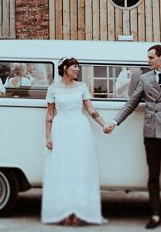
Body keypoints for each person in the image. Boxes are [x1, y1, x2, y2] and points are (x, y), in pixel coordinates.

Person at [104, 45, 161, 230]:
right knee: (153, 176)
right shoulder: (144, 78)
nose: (147, 60)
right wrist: (114, 122)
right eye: (148, 57)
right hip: (151, 132)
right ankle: (155, 215)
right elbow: (131, 104)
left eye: (151, 57)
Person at [42, 57, 108, 226]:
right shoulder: (53, 89)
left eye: (78, 67)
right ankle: (63, 211)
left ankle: (80, 211)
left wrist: (104, 125)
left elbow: (90, 109)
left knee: (80, 168)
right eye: (74, 67)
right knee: (62, 168)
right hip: (61, 128)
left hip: (79, 129)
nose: (77, 70)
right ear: (65, 68)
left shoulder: (82, 87)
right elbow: (50, 115)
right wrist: (48, 137)